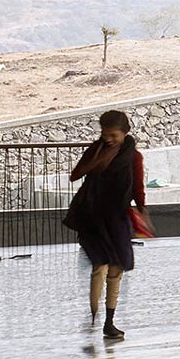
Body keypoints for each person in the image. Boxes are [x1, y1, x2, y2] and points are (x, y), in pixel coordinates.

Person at [62, 110, 147, 339]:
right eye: (104, 134)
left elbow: (138, 186)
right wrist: (96, 161)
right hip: (92, 216)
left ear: (125, 132)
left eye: (113, 135)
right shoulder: (96, 149)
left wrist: (142, 211)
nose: (108, 139)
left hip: (117, 217)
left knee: (116, 268)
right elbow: (75, 174)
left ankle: (109, 321)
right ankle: (94, 314)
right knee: (99, 265)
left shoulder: (133, 157)